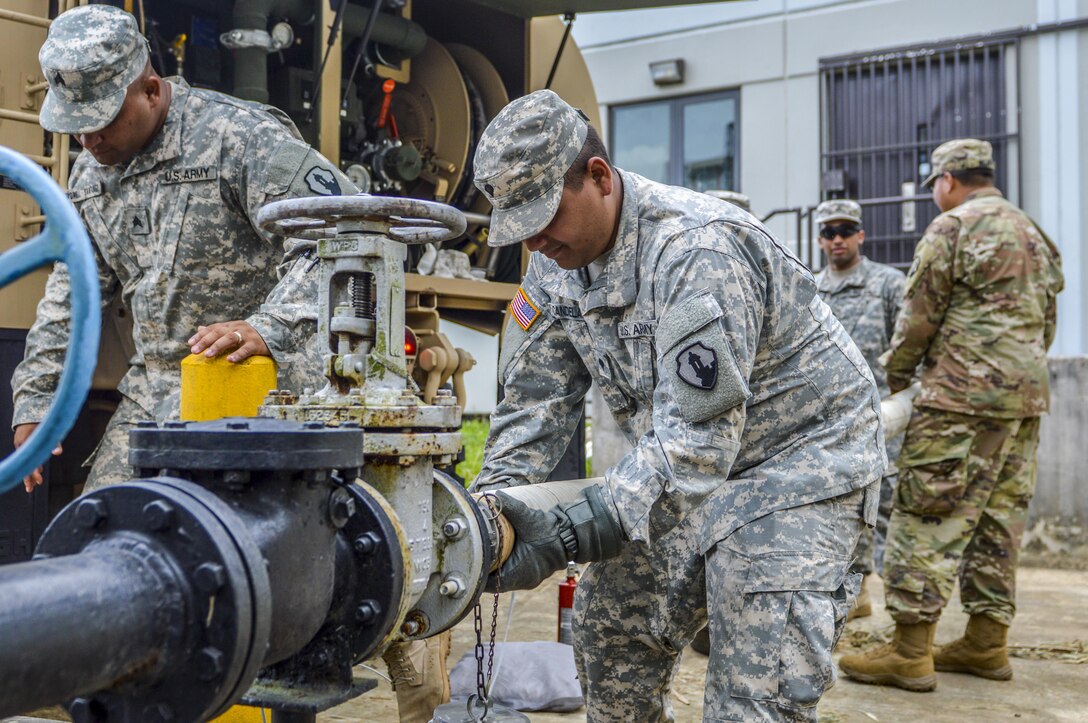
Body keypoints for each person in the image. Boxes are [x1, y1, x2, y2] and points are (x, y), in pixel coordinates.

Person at [470, 89, 885, 721]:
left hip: (800, 468)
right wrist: (491, 515)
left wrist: (574, 528)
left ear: (599, 177)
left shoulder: (697, 251)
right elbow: (535, 402)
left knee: (755, 691)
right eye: (519, 227)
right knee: (610, 628)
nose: (535, 242)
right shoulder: (555, 265)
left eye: (544, 215)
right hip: (688, 472)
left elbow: (696, 442)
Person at [10, 5, 354, 495]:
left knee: (248, 538)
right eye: (74, 124)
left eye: (102, 118)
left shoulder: (238, 138)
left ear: (150, 90)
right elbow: (72, 293)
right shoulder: (90, 175)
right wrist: (36, 403)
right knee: (103, 529)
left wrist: (266, 327)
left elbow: (342, 235)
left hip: (261, 384)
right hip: (156, 394)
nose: (88, 138)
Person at [839, 139, 1063, 691]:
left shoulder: (953, 227)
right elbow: (1048, 317)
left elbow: (918, 315)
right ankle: (988, 643)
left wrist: (897, 376)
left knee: (926, 514)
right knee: (999, 518)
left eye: (935, 184)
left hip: (958, 400)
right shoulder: (1035, 232)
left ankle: (910, 651)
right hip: (1025, 401)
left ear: (947, 181)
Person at [813, 199, 905, 619]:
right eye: (829, 232)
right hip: (828, 424)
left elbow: (907, 349)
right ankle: (857, 594)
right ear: (819, 239)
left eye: (845, 231)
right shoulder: (811, 289)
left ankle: (905, 612)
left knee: (885, 509)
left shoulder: (888, 284)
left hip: (884, 423)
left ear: (861, 236)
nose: (837, 240)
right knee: (842, 510)